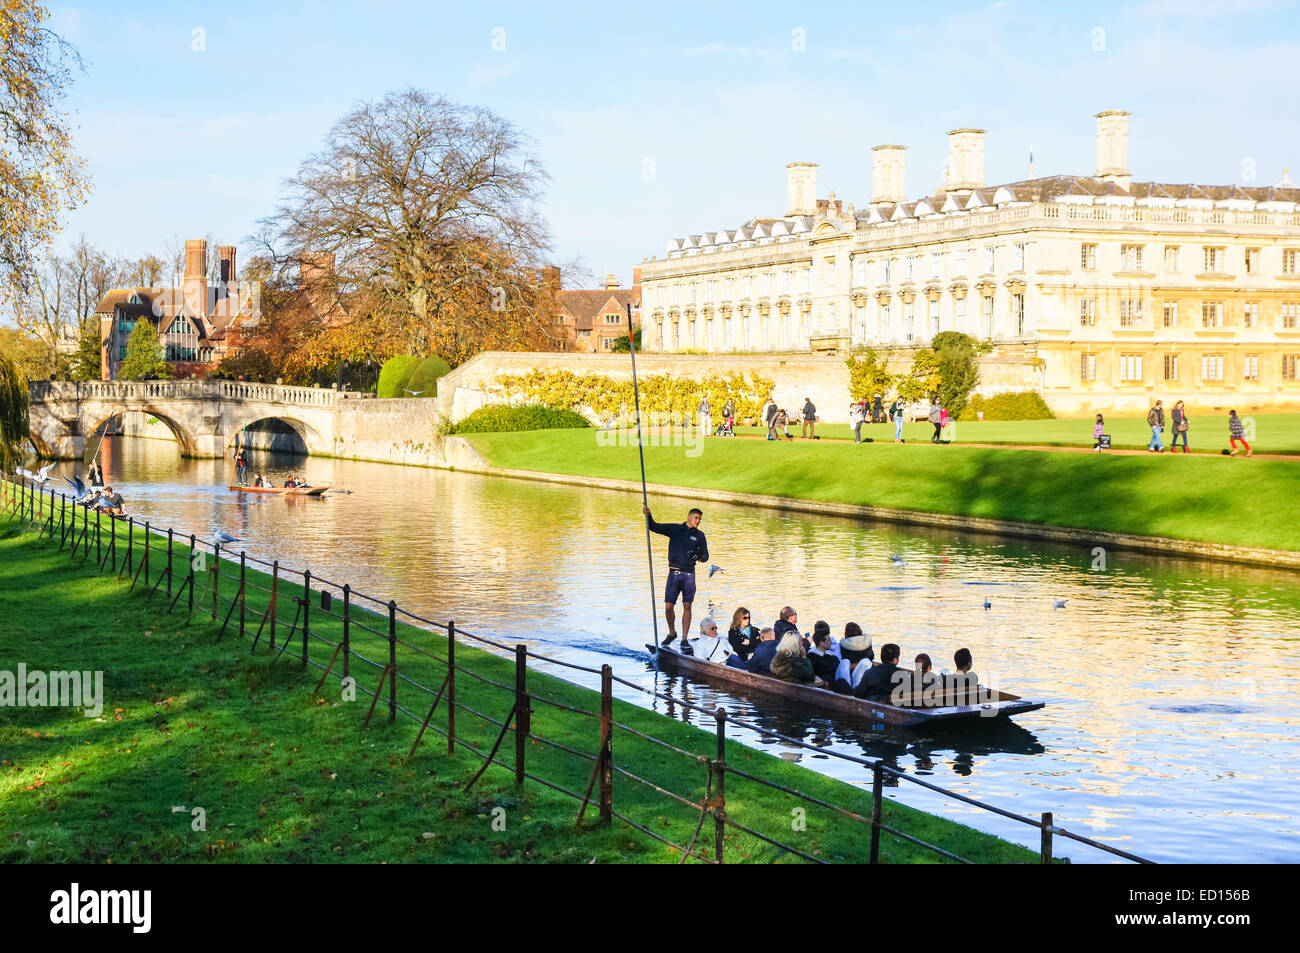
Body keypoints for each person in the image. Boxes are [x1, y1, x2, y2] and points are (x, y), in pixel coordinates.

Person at [644, 505, 709, 649]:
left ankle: (684, 639)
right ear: (689, 516)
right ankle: (672, 633)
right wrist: (649, 515)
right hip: (673, 574)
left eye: (700, 519)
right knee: (668, 607)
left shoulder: (699, 535)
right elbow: (653, 527)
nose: (698, 521)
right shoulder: (675, 529)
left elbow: (706, 556)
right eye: (696, 518)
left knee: (687, 605)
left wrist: (699, 557)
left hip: (689, 575)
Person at [833, 630, 875, 694]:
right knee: (865, 662)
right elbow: (871, 656)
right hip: (855, 687)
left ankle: (852, 691)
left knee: (845, 662)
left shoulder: (843, 646)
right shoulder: (867, 644)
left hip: (849, 688)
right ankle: (854, 691)